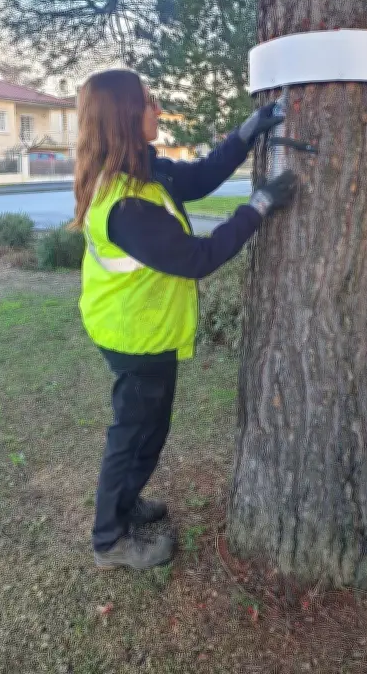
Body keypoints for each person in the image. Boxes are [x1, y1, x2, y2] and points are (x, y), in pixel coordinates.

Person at [71, 69, 296, 571]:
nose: (157, 108)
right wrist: (260, 205)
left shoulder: (142, 169)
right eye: (148, 102)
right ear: (126, 117)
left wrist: (246, 132)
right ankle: (110, 540)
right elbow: (198, 257)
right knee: (135, 435)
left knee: (147, 431)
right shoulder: (125, 204)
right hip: (135, 337)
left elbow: (196, 177)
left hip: (138, 328)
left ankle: (125, 507)